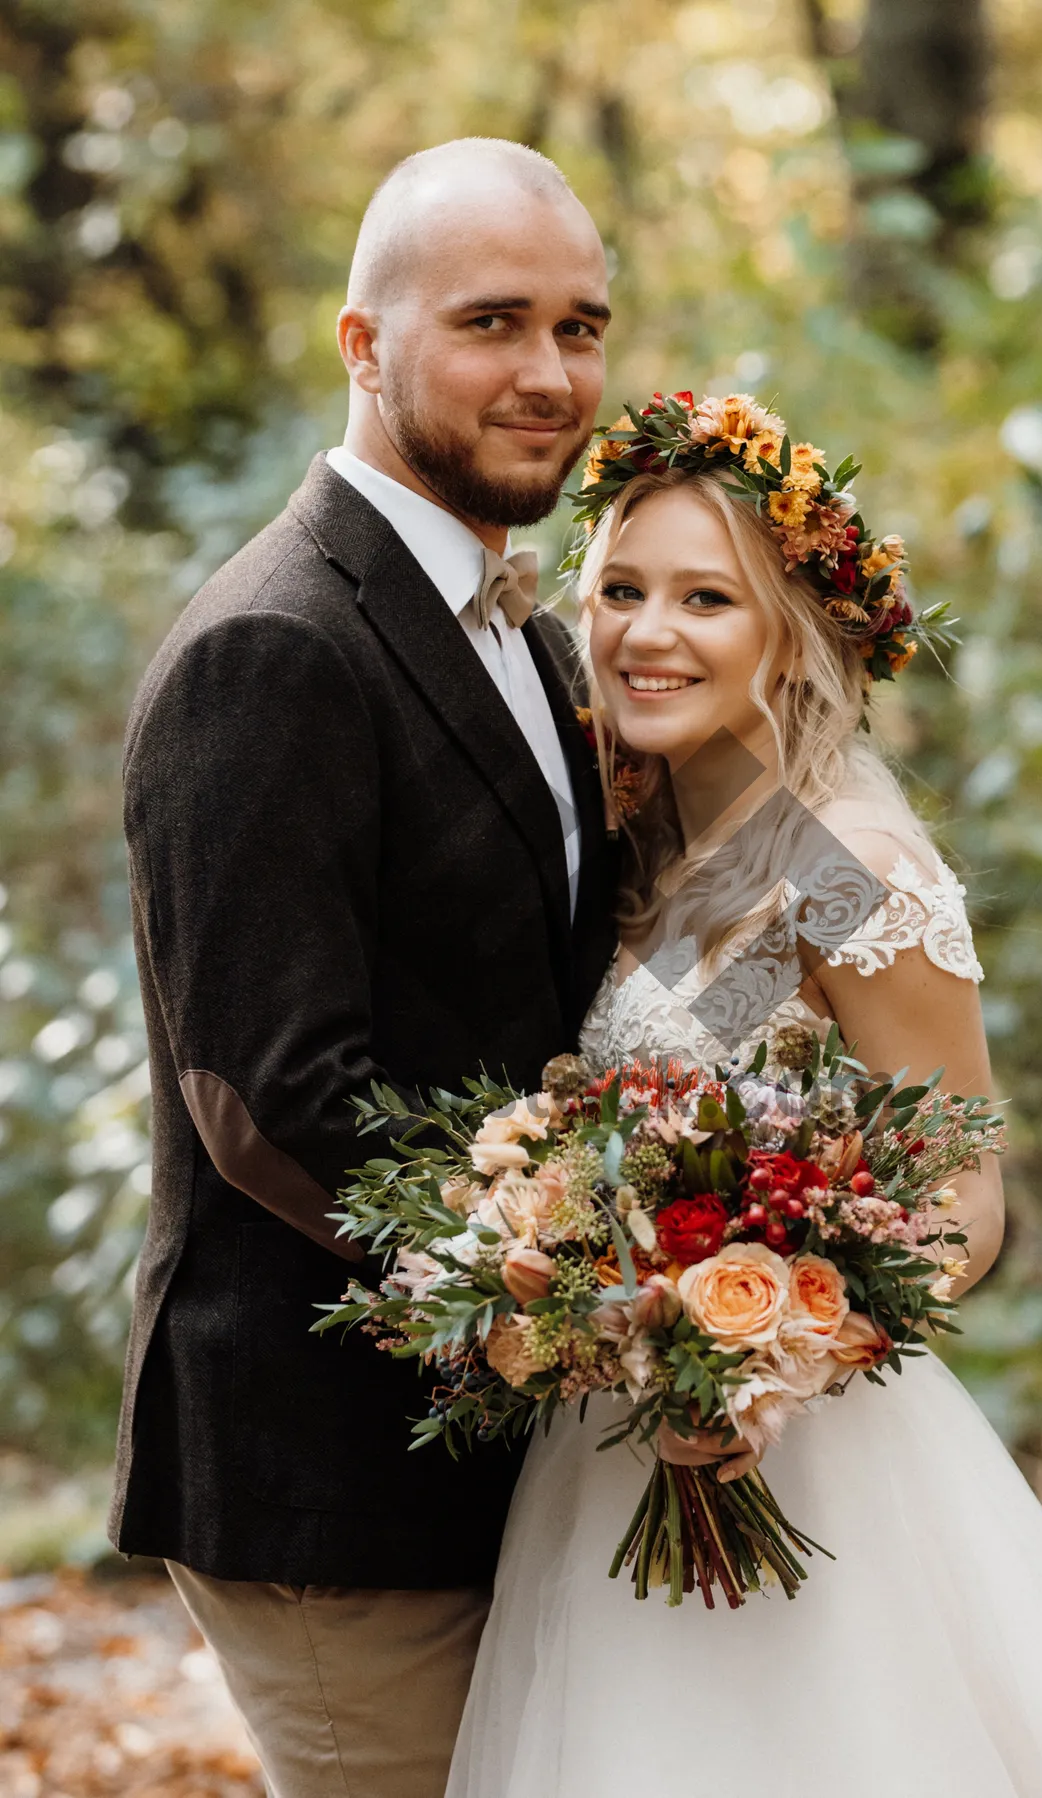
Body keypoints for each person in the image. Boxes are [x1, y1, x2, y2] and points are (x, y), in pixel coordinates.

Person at [446, 395, 1042, 1796]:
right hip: (611, 1453)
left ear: (791, 630)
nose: (644, 632)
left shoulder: (846, 860)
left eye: (704, 598)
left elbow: (967, 1192)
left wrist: (775, 1357)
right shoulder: (658, 840)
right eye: (619, 588)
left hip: (804, 1468)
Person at [108, 138, 618, 1798]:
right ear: (361, 342)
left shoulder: (528, 632)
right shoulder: (275, 645)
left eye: (582, 325)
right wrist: (575, 1291)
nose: (549, 375)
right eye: (491, 321)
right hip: (331, 1462)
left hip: (502, 1459)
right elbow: (269, 1094)